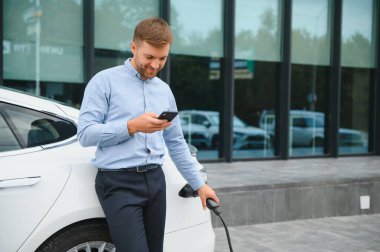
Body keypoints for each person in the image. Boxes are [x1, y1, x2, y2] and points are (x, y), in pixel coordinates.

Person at [77, 17, 219, 252]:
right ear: (134, 47)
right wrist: (131, 126)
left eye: (162, 58)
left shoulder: (164, 91)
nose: (155, 65)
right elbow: (85, 134)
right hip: (117, 182)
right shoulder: (104, 82)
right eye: (149, 57)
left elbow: (176, 142)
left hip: (155, 181)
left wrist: (199, 184)